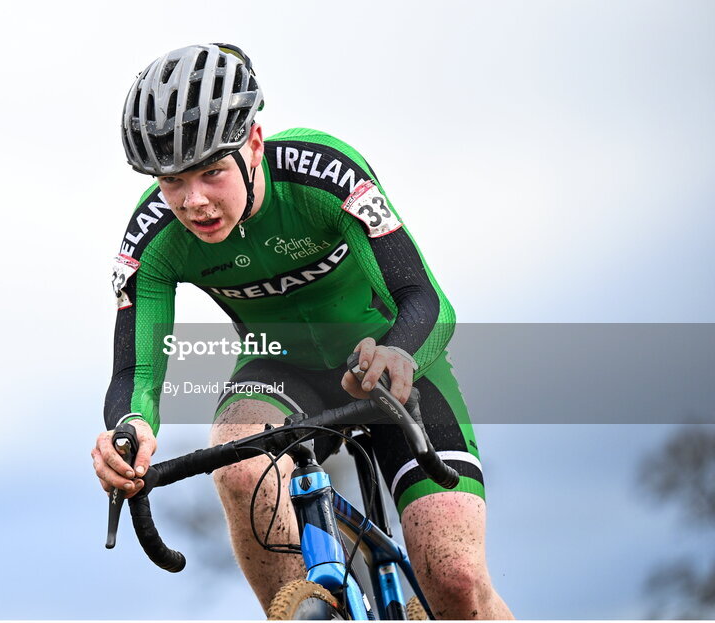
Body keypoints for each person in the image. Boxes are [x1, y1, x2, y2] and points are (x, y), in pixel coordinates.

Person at [91, 43, 514, 619]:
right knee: (236, 458)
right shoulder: (154, 236)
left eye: (212, 172)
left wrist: (399, 352)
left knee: (457, 580)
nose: (193, 202)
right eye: (171, 182)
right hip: (280, 371)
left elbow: (428, 302)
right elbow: (136, 373)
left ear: (254, 145)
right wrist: (128, 429)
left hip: (390, 364)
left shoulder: (324, 176)